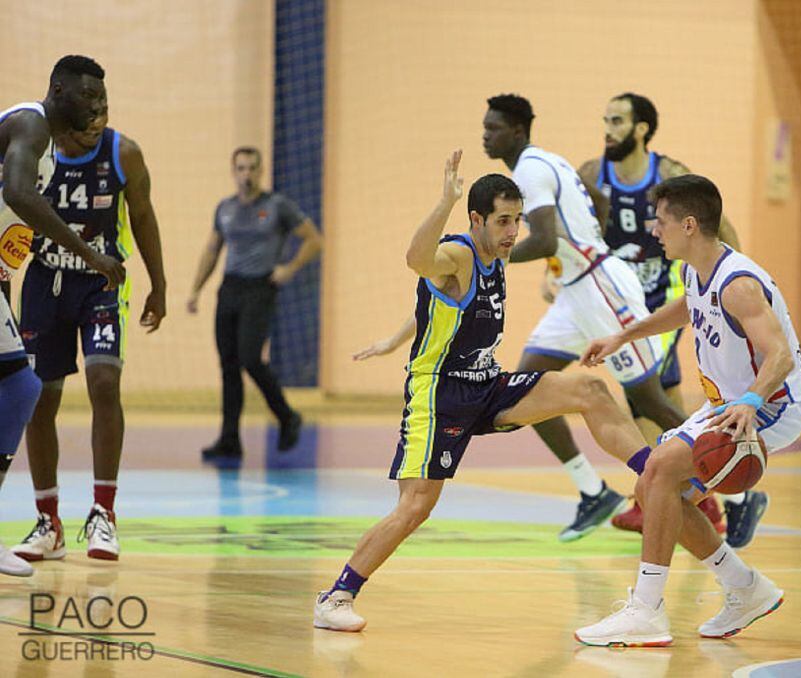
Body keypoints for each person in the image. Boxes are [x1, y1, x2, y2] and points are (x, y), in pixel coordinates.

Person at [312, 151, 653, 632]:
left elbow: (438, 304)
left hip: (488, 386)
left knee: (590, 389)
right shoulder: (458, 252)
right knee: (415, 508)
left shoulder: (496, 258)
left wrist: (395, 337)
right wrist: (444, 201)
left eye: (518, 219)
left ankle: (650, 472)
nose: (514, 231)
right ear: (476, 219)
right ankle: (335, 597)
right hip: (439, 395)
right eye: (503, 221)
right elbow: (418, 262)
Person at [575, 174, 801, 646]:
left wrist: (750, 402)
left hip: (771, 405)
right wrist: (624, 335)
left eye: (659, 222)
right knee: (652, 486)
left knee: (660, 470)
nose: (652, 230)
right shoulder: (696, 269)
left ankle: (647, 610)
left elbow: (780, 356)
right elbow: (689, 307)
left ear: (688, 224)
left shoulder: (739, 284)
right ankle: (744, 588)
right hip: (731, 401)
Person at [483, 94, 686, 542]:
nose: (485, 136)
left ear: (516, 132)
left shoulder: (532, 169)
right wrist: (588, 239)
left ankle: (719, 484)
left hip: (600, 287)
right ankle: (593, 492)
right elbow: (595, 198)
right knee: (525, 388)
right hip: (578, 290)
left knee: (648, 401)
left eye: (492, 129)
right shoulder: (544, 162)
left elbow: (546, 241)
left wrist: (489, 255)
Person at [578, 92, 765, 546]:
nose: (608, 128)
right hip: (618, 304)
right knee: (658, 398)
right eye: (605, 119)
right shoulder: (589, 175)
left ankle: (709, 497)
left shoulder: (669, 174)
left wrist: (736, 278)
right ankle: (694, 498)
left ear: (642, 128)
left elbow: (719, 228)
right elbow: (575, 232)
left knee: (645, 398)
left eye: (618, 120)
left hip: (664, 302)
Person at [12, 101, 165, 564]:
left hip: (101, 283)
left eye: (104, 112)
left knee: (104, 382)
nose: (97, 122)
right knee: (38, 398)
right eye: (88, 115)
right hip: (45, 282)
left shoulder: (124, 153)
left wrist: (159, 285)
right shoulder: (36, 148)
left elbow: (142, 216)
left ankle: (104, 513)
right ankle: (48, 520)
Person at [0, 55, 126, 575]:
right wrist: (90, 253)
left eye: (102, 99)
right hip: (54, 280)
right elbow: (16, 194)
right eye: (86, 96)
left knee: (20, 388)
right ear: (56, 90)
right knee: (22, 388)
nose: (96, 106)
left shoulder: (47, 144)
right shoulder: (30, 123)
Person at [187, 147, 322, 460]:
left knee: (250, 358)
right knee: (228, 365)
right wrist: (195, 289)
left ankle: (287, 416)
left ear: (260, 172)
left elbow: (314, 239)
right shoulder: (225, 208)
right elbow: (212, 249)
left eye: (251, 169)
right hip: (230, 288)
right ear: (233, 172)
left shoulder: (277, 206)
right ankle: (229, 438)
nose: (246, 174)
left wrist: (288, 268)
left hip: (260, 288)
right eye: (241, 168)